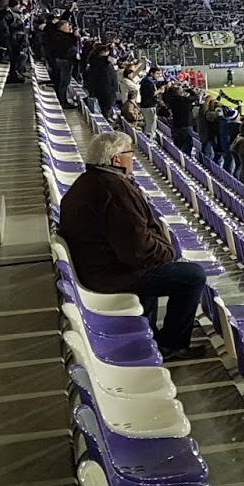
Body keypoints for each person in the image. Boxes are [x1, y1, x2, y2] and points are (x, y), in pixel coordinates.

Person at [57, 131, 206, 360]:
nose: (133, 158)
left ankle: (151, 337)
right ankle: (173, 344)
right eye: (130, 153)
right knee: (192, 275)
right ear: (116, 159)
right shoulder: (114, 189)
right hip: (110, 274)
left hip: (98, 266)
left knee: (161, 270)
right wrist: (169, 252)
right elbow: (138, 251)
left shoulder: (90, 182)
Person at [42, 18, 80, 109]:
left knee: (64, 82)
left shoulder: (61, 35)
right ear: (62, 27)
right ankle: (62, 101)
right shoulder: (58, 36)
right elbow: (68, 42)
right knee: (63, 82)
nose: (69, 28)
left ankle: (63, 100)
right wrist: (75, 36)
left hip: (65, 61)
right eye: (67, 26)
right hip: (64, 61)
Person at [84, 45, 120, 118]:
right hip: (106, 86)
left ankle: (107, 116)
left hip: (101, 85)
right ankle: (106, 117)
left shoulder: (94, 59)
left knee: (105, 104)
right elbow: (114, 59)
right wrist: (113, 48)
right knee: (106, 104)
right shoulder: (102, 60)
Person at [164, 81, 196, 154]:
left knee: (178, 144)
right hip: (186, 125)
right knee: (188, 145)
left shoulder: (171, 101)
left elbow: (165, 96)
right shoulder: (186, 100)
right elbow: (196, 96)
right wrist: (189, 90)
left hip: (176, 125)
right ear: (180, 92)